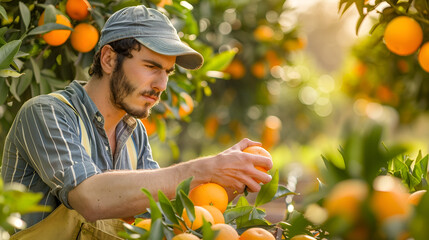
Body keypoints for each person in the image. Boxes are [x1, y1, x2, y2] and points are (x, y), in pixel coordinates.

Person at [1, 5, 272, 239]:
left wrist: (222, 185)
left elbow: (156, 216)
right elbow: (90, 198)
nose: (162, 84)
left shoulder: (134, 133)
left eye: (167, 72)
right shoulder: (48, 114)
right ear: (108, 59)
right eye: (152, 67)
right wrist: (205, 168)